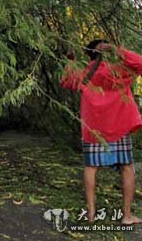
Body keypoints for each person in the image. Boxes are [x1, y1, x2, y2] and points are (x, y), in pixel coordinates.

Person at [61, 40, 142, 225]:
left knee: (91, 168)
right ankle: (127, 216)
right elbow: (140, 63)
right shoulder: (118, 72)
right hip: (119, 127)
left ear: (88, 55)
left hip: (94, 129)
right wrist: (118, 49)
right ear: (107, 53)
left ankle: (91, 214)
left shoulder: (83, 74)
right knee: (127, 168)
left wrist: (71, 58)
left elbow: (66, 79)